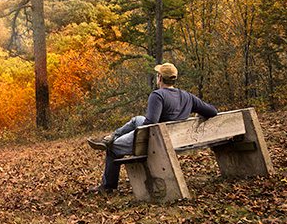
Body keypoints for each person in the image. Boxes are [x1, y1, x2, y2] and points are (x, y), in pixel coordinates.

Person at [86, 62, 218, 194]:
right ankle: (111, 136)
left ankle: (108, 186)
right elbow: (212, 111)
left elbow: (150, 123)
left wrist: (135, 133)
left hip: (157, 140)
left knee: (113, 147)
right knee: (137, 119)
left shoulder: (158, 95)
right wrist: (197, 114)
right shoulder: (187, 96)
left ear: (160, 77)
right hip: (174, 137)